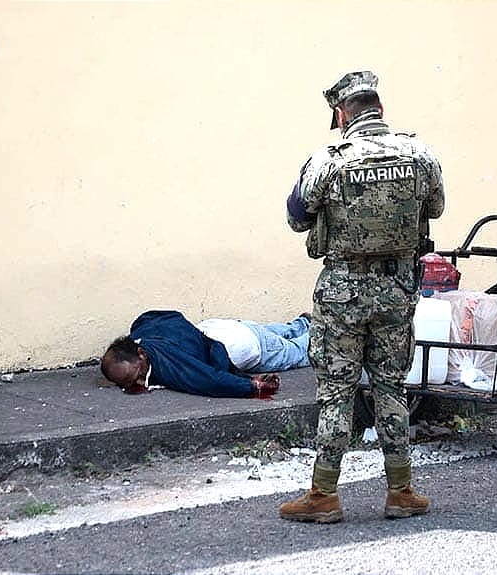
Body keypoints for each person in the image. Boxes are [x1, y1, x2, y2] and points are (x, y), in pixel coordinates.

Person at [281, 71, 445, 523]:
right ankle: (401, 491)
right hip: (396, 288)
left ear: (340, 114)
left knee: (337, 391)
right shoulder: (418, 153)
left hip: (343, 292)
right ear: (380, 109)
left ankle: (323, 496)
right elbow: (436, 207)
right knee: (391, 387)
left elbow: (297, 217)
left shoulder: (328, 160)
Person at [100, 310, 311, 398]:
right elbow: (158, 316)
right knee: (274, 334)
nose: (138, 381)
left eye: (136, 374)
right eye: (126, 383)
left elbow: (207, 380)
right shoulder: (142, 333)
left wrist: (251, 386)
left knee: (300, 352)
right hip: (226, 328)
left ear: (141, 354)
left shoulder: (166, 365)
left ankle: (331, 333)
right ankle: (305, 322)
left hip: (250, 346)